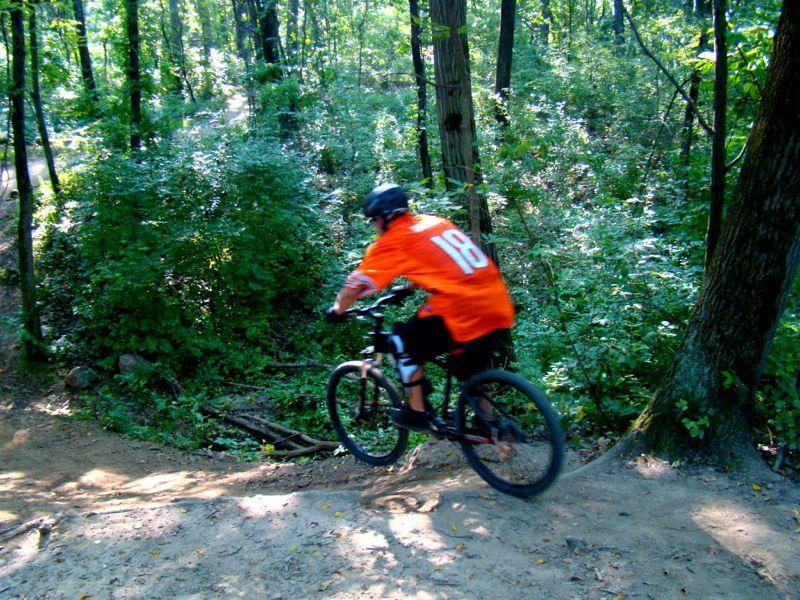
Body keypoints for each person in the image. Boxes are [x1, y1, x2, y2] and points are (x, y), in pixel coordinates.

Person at [326, 183, 515, 431]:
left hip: (461, 309)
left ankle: (417, 413)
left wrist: (337, 310)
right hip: (497, 302)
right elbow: (443, 261)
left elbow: (353, 287)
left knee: (402, 342)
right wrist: (408, 288)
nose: (374, 226)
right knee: (470, 366)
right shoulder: (434, 222)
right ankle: (488, 422)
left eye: (373, 220)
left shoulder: (393, 241)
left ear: (383, 217)